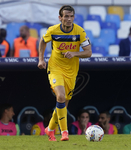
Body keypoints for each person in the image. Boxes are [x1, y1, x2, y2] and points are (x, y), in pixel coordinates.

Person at [38, 5, 92, 141]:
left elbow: (88, 52)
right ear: (60, 18)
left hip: (71, 72)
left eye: (71, 16)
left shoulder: (79, 31)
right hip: (55, 68)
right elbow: (43, 41)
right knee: (60, 96)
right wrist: (41, 59)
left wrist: (74, 53)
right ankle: (64, 132)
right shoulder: (53, 30)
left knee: (63, 103)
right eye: (66, 16)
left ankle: (50, 129)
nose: (69, 19)